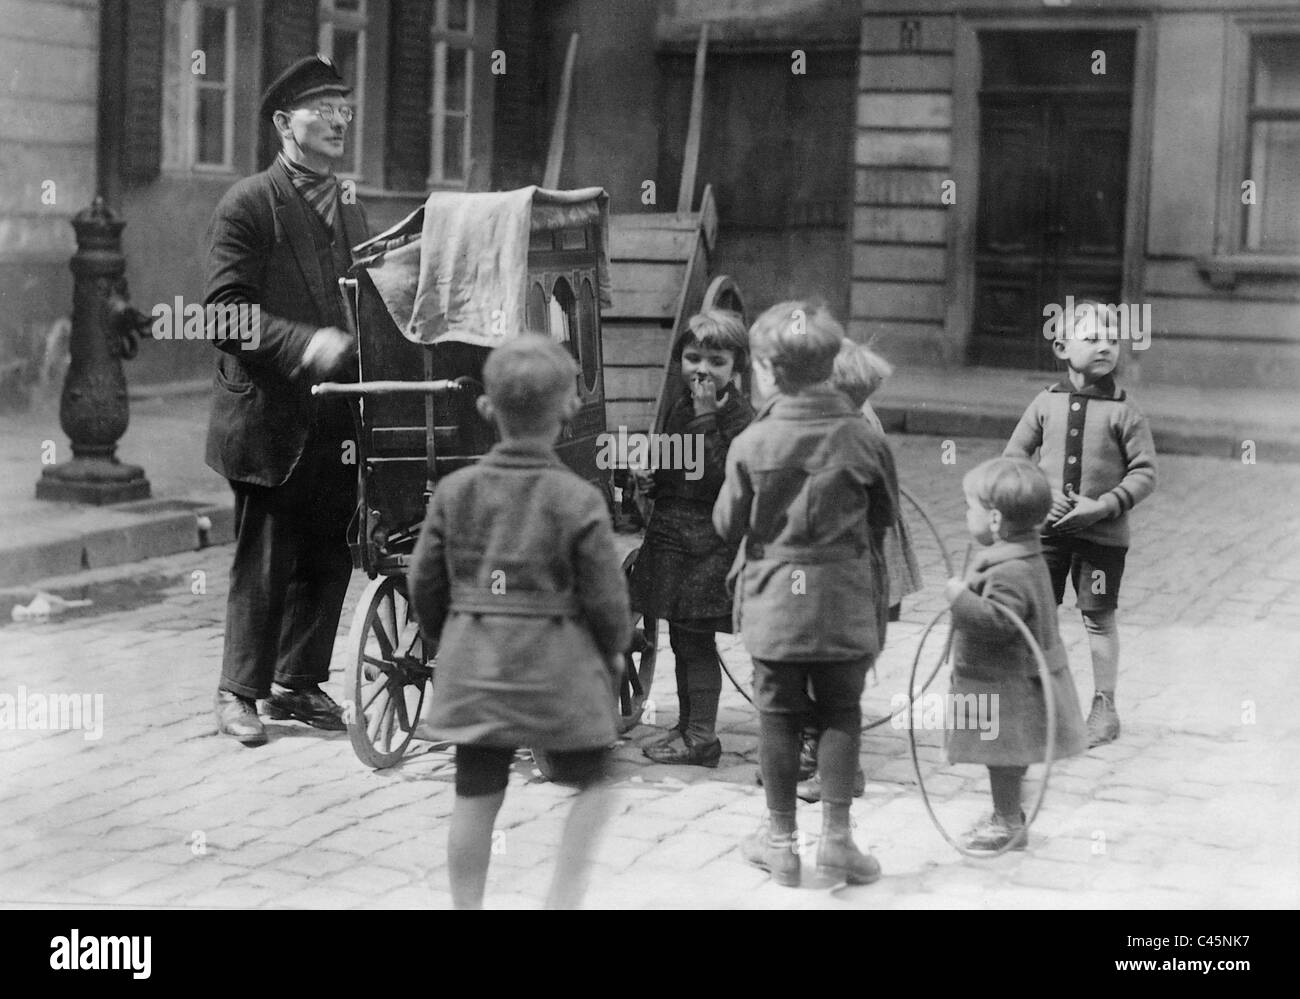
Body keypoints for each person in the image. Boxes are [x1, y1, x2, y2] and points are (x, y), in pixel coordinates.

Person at [408, 335, 631, 909]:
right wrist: (611, 653)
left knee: (474, 799)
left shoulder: (455, 492)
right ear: (566, 410)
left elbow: (424, 584)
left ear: (487, 409)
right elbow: (608, 601)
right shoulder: (578, 498)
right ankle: (561, 900)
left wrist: (451, 637)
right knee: (597, 785)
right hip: (556, 675)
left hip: (476, 672)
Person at [208, 55, 369, 745]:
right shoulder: (249, 203)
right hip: (269, 412)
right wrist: (307, 344)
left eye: (344, 108)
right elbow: (223, 316)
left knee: (330, 550)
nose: (339, 120)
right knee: (266, 550)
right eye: (323, 108)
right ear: (283, 122)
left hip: (336, 412)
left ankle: (297, 682)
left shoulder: (351, 203)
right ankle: (237, 691)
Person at [714, 301, 897, 887]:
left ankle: (782, 844)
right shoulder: (863, 436)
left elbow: (727, 524)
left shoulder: (752, 440)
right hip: (845, 596)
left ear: (766, 370)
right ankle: (838, 842)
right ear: (832, 363)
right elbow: (885, 515)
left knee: (779, 717)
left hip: (775, 604)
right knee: (842, 711)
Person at [1003, 300, 1157, 747]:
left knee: (1098, 618)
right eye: (1091, 339)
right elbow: (1014, 458)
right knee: (1038, 616)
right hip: (1047, 536)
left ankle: (1104, 708)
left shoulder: (1125, 412)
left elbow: (1145, 473)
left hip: (1102, 538)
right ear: (1062, 348)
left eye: (1112, 339)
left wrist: (1105, 505)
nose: (1105, 346)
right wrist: (1041, 496)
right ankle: (1036, 701)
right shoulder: (1045, 403)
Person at [628, 309, 755, 767]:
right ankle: (687, 727)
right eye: (692, 357)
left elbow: (718, 473)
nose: (701, 369)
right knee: (683, 637)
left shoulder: (739, 417)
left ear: (736, 368)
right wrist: (651, 469)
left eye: (716, 361)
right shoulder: (682, 404)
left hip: (709, 544)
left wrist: (705, 418)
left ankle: (702, 736)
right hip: (674, 536)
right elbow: (679, 460)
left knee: (697, 639)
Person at [943, 457, 1088, 850]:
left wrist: (960, 599)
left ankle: (1007, 822)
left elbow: (998, 622)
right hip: (1011, 679)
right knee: (1005, 754)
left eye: (970, 507)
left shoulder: (1010, 570)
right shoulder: (1024, 555)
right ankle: (1007, 814)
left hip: (1004, 684)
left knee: (1002, 753)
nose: (964, 513)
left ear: (993, 520)